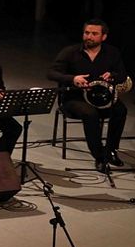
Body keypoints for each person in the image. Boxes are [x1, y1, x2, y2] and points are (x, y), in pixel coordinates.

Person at [47, 19, 129, 172]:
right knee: (90, 113)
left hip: (101, 97)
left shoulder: (112, 52)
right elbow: (51, 73)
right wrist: (73, 78)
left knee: (120, 110)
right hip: (74, 98)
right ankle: (99, 156)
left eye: (94, 33)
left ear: (103, 37)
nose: (89, 36)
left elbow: (122, 75)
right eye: (86, 33)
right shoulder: (70, 52)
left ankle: (111, 150)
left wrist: (112, 75)